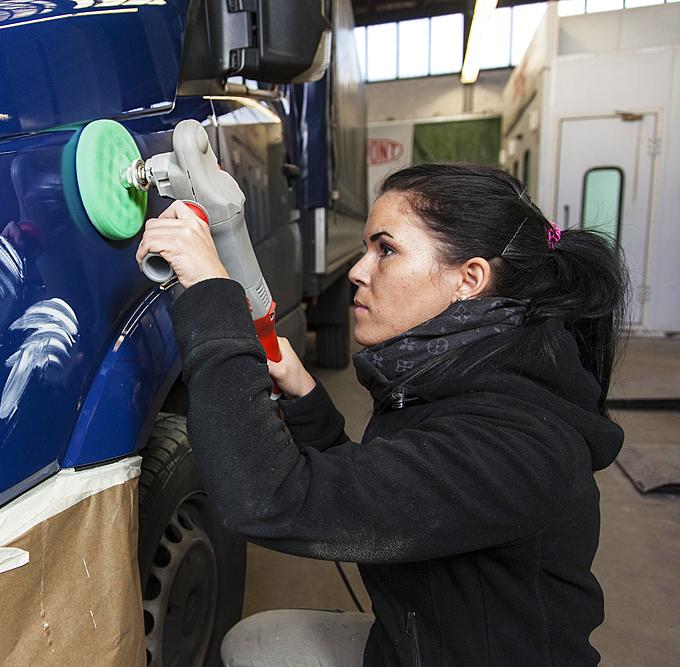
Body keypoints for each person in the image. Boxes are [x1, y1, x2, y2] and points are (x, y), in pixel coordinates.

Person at [135, 163, 627, 666]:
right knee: (258, 642)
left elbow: (267, 499)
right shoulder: (459, 379)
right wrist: (306, 397)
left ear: (469, 279)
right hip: (419, 644)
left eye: (386, 249)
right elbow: (384, 503)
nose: (357, 269)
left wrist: (210, 299)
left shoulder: (515, 440)